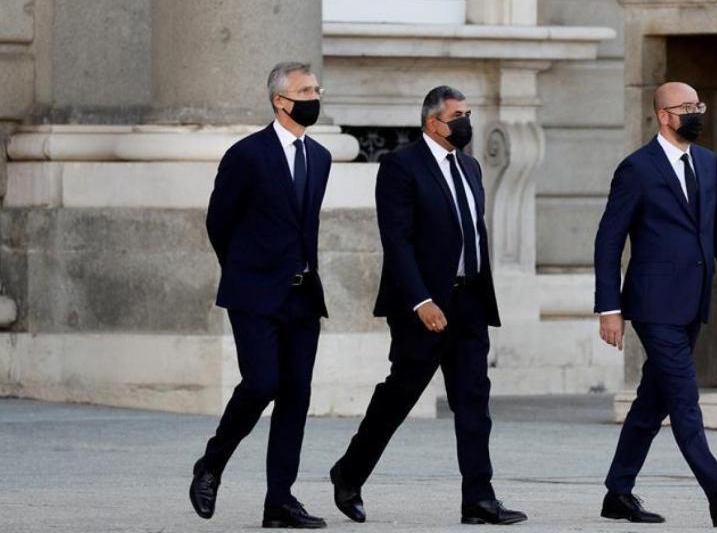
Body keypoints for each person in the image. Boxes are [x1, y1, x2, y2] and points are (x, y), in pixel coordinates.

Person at [328, 86, 527, 526]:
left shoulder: (471, 168)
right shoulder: (401, 166)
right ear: (433, 121)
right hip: (424, 306)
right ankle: (349, 472)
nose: (465, 122)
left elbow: (471, 234)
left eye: (468, 113)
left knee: (474, 400)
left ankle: (478, 498)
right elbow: (397, 241)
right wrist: (422, 300)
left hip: (470, 300)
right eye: (457, 115)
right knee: (401, 393)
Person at [594, 81, 717, 528]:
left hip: (692, 303)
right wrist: (609, 307)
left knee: (653, 401)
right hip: (652, 305)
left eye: (698, 104)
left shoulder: (707, 163)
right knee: (685, 398)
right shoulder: (636, 169)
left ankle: (618, 492)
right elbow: (608, 241)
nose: (695, 112)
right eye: (686, 107)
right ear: (664, 116)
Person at [189, 61, 331, 529]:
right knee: (261, 383)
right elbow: (218, 222)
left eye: (317, 88)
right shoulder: (246, 155)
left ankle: (280, 501)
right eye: (306, 90)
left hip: (302, 295)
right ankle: (211, 464)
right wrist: (247, 271)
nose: (316, 96)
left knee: (296, 395)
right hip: (254, 294)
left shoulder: (321, 157)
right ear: (280, 100)